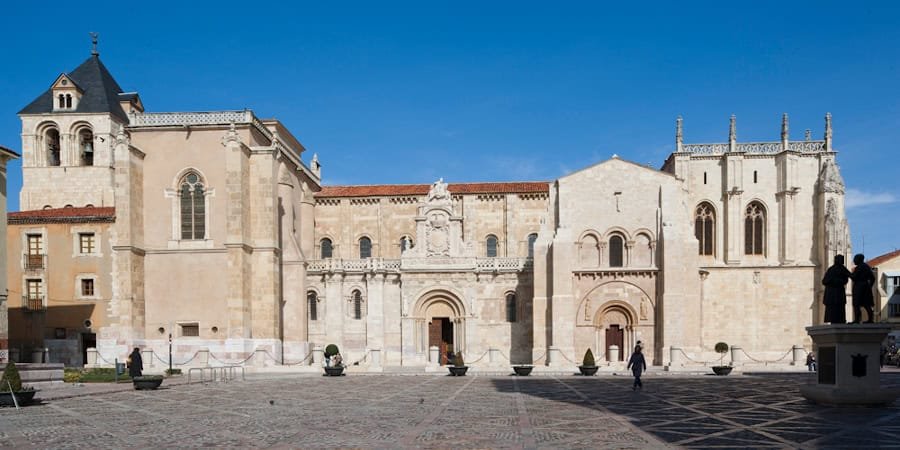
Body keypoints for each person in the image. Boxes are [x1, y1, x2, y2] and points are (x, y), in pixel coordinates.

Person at [822, 254, 851, 324]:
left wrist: (840, 281)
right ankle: (834, 320)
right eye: (840, 260)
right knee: (833, 309)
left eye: (842, 260)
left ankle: (840, 320)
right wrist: (835, 280)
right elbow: (824, 281)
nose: (842, 261)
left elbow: (849, 277)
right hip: (832, 292)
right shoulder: (831, 269)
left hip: (839, 292)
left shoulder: (843, 269)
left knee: (839, 307)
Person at [850, 254, 875, 323]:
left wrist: (848, 274)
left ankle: (857, 320)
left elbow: (854, 277)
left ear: (859, 259)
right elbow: (872, 278)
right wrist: (869, 286)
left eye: (855, 259)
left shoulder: (860, 267)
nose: (854, 260)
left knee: (856, 304)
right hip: (865, 286)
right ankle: (870, 319)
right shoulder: (866, 266)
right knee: (867, 304)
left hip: (859, 287)